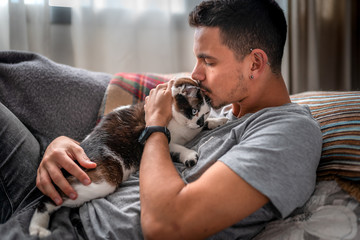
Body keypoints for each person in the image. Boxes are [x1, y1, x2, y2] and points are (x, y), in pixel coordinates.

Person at [0, 0, 322, 239]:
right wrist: (60, 146)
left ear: (254, 64)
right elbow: (113, 138)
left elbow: (164, 225)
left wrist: (155, 126)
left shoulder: (288, 133)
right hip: (57, 187)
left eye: (207, 61)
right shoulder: (220, 111)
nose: (195, 74)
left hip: (72, 228)